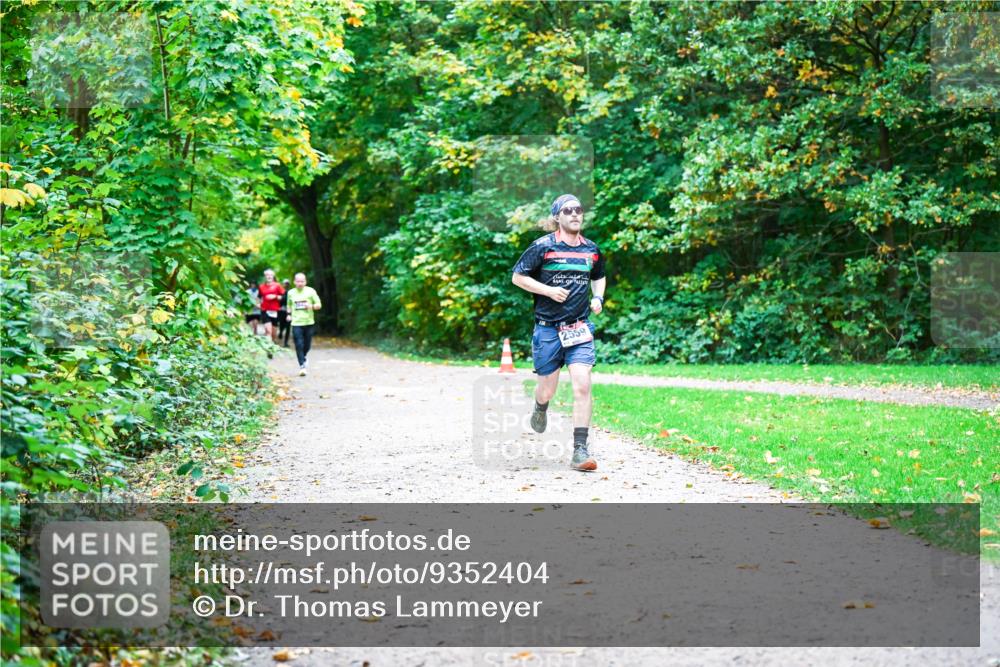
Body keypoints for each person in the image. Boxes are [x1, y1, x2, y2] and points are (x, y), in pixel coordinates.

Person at [512, 194, 606, 472]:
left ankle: (580, 450)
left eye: (578, 209)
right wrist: (548, 290)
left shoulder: (591, 249)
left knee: (582, 384)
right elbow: (518, 277)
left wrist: (598, 298)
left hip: (579, 328)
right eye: (568, 210)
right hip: (548, 330)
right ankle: (540, 406)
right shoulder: (542, 247)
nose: (575, 214)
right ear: (557, 217)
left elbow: (599, 276)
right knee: (547, 388)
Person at [286, 272, 322, 376]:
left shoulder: (311, 291)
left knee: (307, 345)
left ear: (305, 282)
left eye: (302, 281)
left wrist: (310, 306)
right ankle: (302, 365)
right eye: (298, 281)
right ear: (294, 282)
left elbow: (319, 305)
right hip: (296, 323)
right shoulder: (291, 293)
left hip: (309, 322)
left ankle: (304, 357)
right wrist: (288, 314)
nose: (300, 283)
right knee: (298, 344)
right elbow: (288, 305)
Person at [258, 269, 285, 344]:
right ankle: (269, 348)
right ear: (265, 276)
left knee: (274, 333)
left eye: (270, 275)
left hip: (275, 311)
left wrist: (275, 296)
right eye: (267, 275)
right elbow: (259, 297)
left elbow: (284, 297)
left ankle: (272, 343)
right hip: (265, 310)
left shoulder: (277, 285)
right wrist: (258, 304)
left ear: (273, 276)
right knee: (268, 331)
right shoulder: (261, 287)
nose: (269, 276)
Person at [278, 279, 291, 347]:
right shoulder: (280, 292)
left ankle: (286, 343)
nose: (286, 285)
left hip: (289, 312)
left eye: (287, 284)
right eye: (285, 283)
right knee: (281, 324)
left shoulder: (291, 292)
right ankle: (280, 332)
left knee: (288, 327)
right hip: (281, 311)